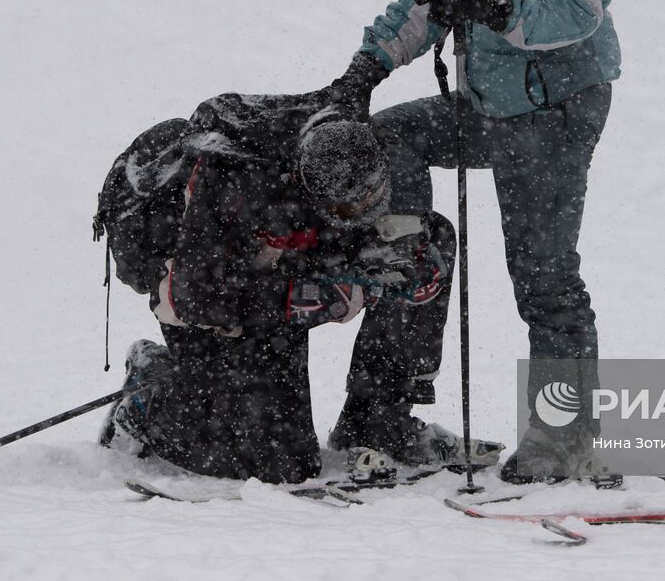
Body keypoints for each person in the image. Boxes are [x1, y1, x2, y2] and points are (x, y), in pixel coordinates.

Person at [325, 0, 621, 484]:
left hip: (553, 105)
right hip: (493, 99)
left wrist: (492, 9)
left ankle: (564, 437)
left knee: (543, 272)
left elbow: (580, 9)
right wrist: (365, 69)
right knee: (390, 136)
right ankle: (396, 345)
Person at [99, 92, 501, 484]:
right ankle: (149, 399)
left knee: (425, 244)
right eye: (349, 212)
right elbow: (192, 300)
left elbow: (388, 229)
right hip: (202, 290)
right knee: (282, 466)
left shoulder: (349, 144)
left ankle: (377, 422)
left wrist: (410, 264)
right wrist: (313, 299)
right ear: (306, 185)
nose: (366, 216)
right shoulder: (230, 185)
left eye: (375, 199)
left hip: (277, 262)